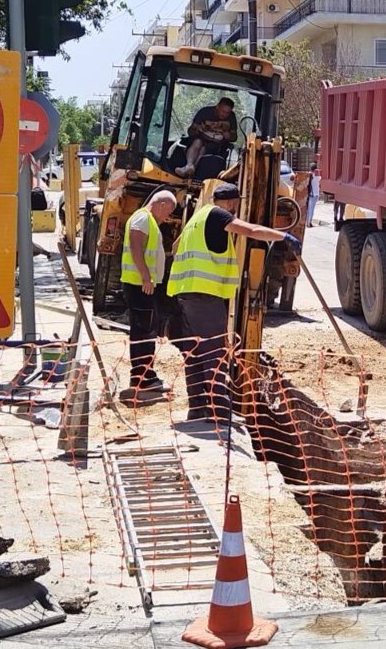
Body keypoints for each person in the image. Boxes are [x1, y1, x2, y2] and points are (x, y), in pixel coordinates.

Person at [168, 182, 299, 424]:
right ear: (232, 202)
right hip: (206, 295)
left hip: (185, 294)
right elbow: (251, 230)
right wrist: (283, 236)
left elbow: (175, 248)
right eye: (237, 204)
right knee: (215, 352)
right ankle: (218, 410)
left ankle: (197, 407)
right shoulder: (219, 215)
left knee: (194, 352)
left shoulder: (197, 218)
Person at [119, 190, 178, 403]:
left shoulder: (147, 220)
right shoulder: (143, 218)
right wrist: (145, 277)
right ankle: (141, 378)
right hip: (139, 285)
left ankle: (146, 375)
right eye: (168, 212)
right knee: (143, 331)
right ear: (161, 204)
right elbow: (136, 247)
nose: (167, 217)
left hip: (143, 285)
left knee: (147, 330)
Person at [177, 97, 238, 180]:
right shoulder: (205, 112)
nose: (224, 115)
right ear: (217, 107)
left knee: (204, 149)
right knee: (198, 142)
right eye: (223, 111)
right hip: (200, 139)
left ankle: (189, 170)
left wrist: (229, 135)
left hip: (218, 146)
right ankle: (189, 166)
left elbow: (234, 137)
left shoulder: (231, 117)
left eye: (227, 113)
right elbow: (190, 131)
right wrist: (197, 129)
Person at [306, 162, 321, 227]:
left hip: (311, 194)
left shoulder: (309, 175)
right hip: (315, 193)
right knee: (312, 209)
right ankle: (309, 222)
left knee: (309, 208)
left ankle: (308, 222)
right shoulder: (318, 176)